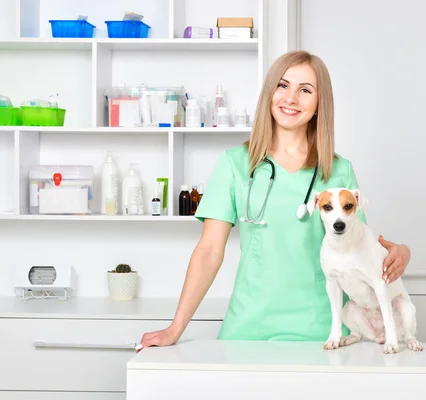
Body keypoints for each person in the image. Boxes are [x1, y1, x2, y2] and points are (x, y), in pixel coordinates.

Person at [138, 50, 411, 348]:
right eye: (282, 85)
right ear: (270, 94)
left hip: (323, 333)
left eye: (305, 90)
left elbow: (360, 246)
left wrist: (401, 253)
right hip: (248, 329)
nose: (291, 98)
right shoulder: (235, 164)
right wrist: (175, 328)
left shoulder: (339, 170)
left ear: (320, 104)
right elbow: (209, 250)